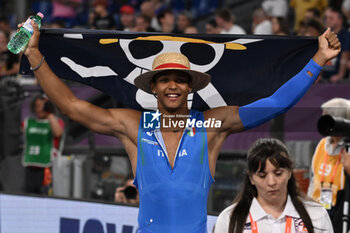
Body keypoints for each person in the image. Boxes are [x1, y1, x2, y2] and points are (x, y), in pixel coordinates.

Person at [22, 17, 340, 232]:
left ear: (190, 87)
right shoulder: (133, 126)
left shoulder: (213, 126)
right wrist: (35, 55)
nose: (172, 85)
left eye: (180, 80)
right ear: (153, 87)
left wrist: (318, 60)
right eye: (164, 80)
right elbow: (72, 106)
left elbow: (275, 104)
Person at [214, 138, 333, 233]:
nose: (271, 182)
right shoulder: (229, 219)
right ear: (251, 178)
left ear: (290, 172)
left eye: (278, 173)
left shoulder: (316, 215)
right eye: (262, 175)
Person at [307, 98, 350, 232]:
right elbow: (313, 180)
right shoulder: (321, 145)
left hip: (341, 210)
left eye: (328, 118)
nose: (325, 124)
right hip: (318, 210)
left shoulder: (348, 148)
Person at [22, 94, 64, 194]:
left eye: (41, 106)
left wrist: (50, 114)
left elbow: (58, 133)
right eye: (36, 106)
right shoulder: (28, 122)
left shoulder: (55, 122)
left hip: (47, 168)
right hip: (30, 166)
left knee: (45, 194)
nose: (38, 109)